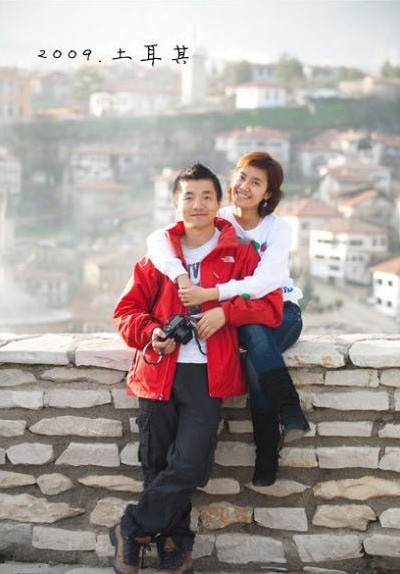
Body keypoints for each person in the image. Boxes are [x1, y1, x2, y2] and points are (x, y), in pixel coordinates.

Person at [111, 162, 283, 574]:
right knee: (157, 463)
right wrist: (152, 332)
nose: (198, 204)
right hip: (158, 372)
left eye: (207, 196)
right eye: (189, 196)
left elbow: (271, 306)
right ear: (176, 203)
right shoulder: (157, 257)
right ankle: (175, 544)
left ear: (220, 202)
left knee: (189, 463)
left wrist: (226, 313)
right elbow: (125, 313)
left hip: (209, 376)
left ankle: (128, 528)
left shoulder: (240, 255)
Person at [146, 151, 310, 488]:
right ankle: (281, 429)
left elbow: (265, 283)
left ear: (267, 193)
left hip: (280, 309)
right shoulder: (217, 217)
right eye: (242, 177)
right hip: (238, 313)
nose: (245, 186)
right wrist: (181, 276)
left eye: (256, 182)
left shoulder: (278, 228)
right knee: (253, 350)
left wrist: (211, 295)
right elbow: (157, 239)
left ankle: (277, 434)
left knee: (254, 345)